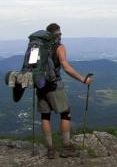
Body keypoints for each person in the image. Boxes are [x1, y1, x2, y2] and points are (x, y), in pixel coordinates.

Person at [37, 23, 93, 159]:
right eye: (59, 34)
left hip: (39, 84)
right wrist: (83, 79)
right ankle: (66, 147)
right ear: (55, 35)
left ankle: (50, 150)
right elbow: (66, 67)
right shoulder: (59, 47)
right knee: (65, 113)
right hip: (54, 84)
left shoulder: (38, 47)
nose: (61, 36)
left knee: (45, 116)